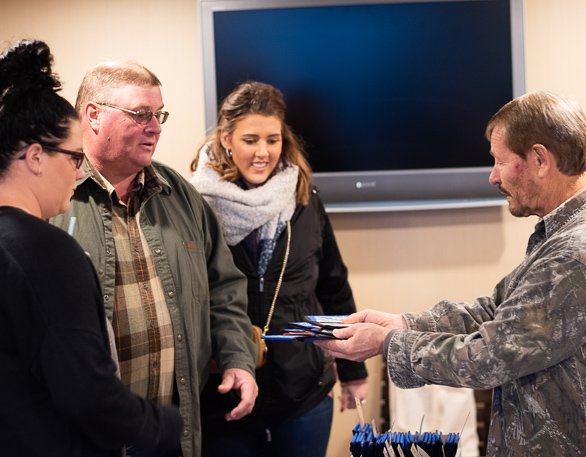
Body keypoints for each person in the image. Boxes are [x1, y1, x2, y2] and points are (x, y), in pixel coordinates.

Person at [315, 91, 586, 456]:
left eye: (500, 161)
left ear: (539, 159)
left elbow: (492, 356)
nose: (492, 176)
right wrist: (403, 324)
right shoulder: (571, 233)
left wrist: (386, 343)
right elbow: (497, 310)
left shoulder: (579, 253)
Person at [48, 60, 259, 457]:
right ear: (93, 115)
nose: (155, 127)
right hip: (87, 438)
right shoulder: (53, 195)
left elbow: (224, 289)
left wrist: (237, 359)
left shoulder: (179, 194)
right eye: (140, 114)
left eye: (158, 114)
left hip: (172, 432)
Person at [0, 39, 183, 456]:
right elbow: (86, 392)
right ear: (35, 157)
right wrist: (166, 425)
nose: (78, 170)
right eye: (73, 157)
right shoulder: (45, 251)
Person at [190, 81, 368, 457]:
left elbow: (333, 285)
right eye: (250, 140)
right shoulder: (195, 205)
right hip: (224, 393)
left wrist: (352, 370)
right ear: (226, 139)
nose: (263, 152)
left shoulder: (304, 198)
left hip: (304, 392)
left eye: (273, 140)